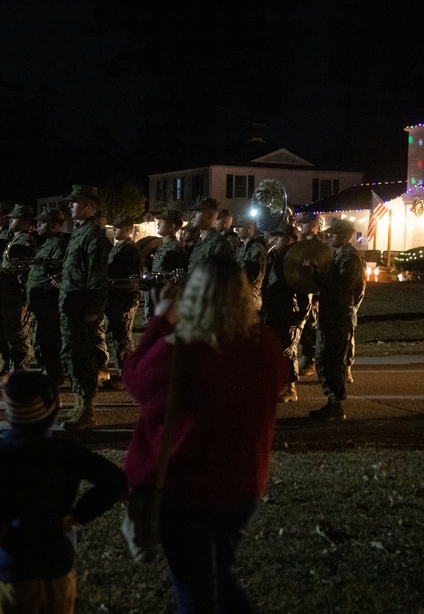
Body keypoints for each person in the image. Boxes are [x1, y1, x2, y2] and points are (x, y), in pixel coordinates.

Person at [122, 255, 287, 613]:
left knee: (194, 589)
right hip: (242, 485)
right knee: (219, 575)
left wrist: (160, 319)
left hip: (185, 490)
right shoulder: (266, 345)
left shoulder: (179, 350)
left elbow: (135, 381)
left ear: (191, 295)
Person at [0, 370, 126, 614]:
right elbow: (114, 480)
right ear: (52, 410)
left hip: (12, 566)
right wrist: (78, 514)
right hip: (56, 561)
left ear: (9, 413)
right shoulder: (67, 452)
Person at [56, 185, 109, 431]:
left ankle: (87, 409)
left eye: (74, 202)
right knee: (72, 354)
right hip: (71, 304)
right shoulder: (79, 233)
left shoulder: (93, 235)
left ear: (88, 205)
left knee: (83, 356)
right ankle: (79, 403)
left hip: (81, 305)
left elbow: (96, 276)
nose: (70, 206)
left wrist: (93, 308)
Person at [309, 219, 365, 421]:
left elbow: (344, 287)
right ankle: (332, 402)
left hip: (339, 315)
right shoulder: (337, 255)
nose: (330, 237)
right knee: (324, 358)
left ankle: (336, 404)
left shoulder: (350, 258)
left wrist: (319, 276)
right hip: (330, 314)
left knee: (333, 360)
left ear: (346, 236)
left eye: (334, 234)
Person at [0, 203, 37, 383]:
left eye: (14, 218)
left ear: (23, 222)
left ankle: (20, 376)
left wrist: (4, 273)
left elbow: (23, 271)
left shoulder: (24, 241)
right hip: (10, 293)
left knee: (19, 337)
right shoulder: (16, 239)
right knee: (13, 335)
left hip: (17, 295)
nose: (10, 220)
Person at [261, 225, 310, 403]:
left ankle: (290, 387)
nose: (275, 240)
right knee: (276, 346)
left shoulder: (297, 258)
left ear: (290, 239)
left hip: (290, 308)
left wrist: (301, 314)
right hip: (274, 307)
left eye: (279, 237)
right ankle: (279, 383)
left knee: (288, 348)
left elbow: (303, 286)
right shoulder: (275, 255)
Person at [26, 209, 69, 392]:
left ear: (52, 225)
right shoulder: (47, 243)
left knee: (49, 343)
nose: (38, 226)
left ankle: (53, 380)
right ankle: (49, 376)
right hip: (41, 302)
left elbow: (57, 271)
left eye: (42, 223)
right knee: (42, 343)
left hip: (49, 302)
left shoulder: (58, 244)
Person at [104, 216, 143, 387]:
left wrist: (130, 299)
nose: (114, 230)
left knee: (124, 338)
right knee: (115, 335)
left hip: (123, 298)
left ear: (128, 230)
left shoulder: (130, 249)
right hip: (114, 298)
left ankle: (128, 375)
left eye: (118, 227)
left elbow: (134, 278)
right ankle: (122, 372)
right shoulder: (117, 247)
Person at [295, 212, 322, 377]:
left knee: (309, 327)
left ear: (314, 225)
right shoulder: (302, 244)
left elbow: (320, 271)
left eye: (304, 223)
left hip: (311, 293)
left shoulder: (318, 247)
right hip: (300, 290)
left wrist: (317, 296)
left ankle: (310, 359)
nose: (301, 226)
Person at [234, 214, 268, 313]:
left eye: (240, 227)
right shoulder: (241, 246)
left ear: (250, 228)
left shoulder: (256, 248)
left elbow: (253, 276)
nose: (237, 229)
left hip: (250, 300)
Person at [187, 197, 231, 271]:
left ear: (209, 216)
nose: (193, 216)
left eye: (197, 212)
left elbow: (219, 277)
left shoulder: (218, 243)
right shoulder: (200, 243)